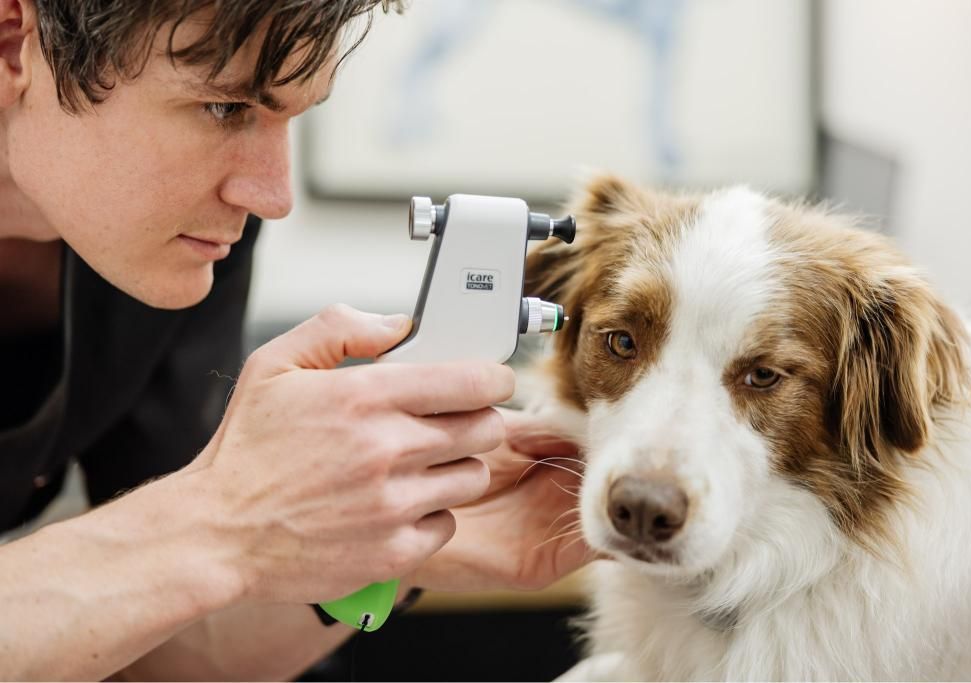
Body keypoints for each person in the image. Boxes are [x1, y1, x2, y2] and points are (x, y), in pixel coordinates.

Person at [0, 0, 589, 679]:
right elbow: (188, 539)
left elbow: (150, 652)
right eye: (226, 108)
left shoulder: (173, 241)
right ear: (18, 43)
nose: (273, 195)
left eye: (292, 118)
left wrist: (374, 542)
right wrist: (222, 514)